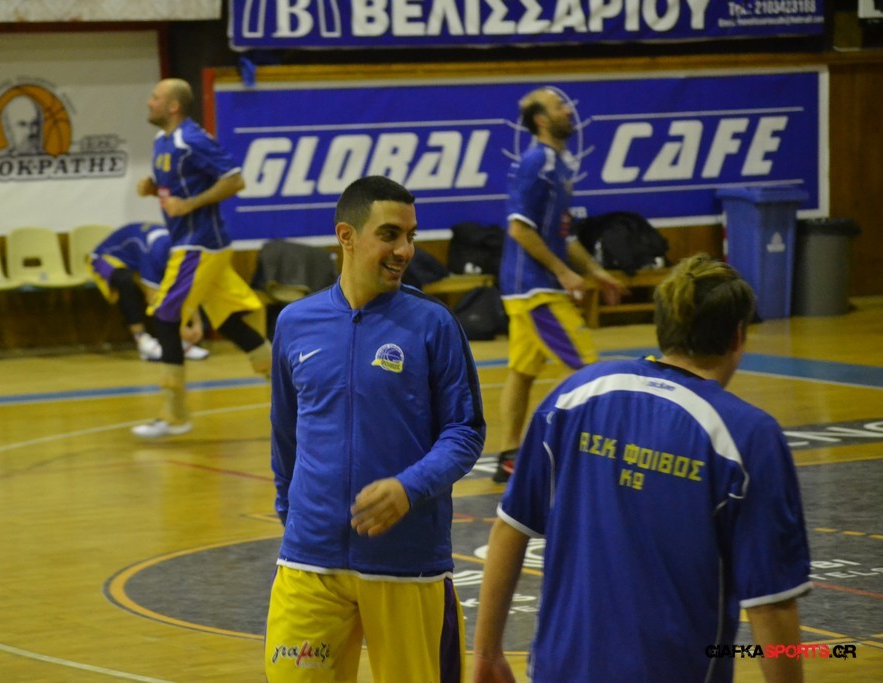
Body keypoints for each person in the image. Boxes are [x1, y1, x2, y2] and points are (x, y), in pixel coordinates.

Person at [473, 254, 812, 683]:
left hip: (558, 671)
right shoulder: (749, 436)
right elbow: (772, 604)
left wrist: (486, 652)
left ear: (663, 325)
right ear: (737, 337)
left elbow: (510, 528)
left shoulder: (575, 395)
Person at [266, 176, 486, 681]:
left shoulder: (433, 323)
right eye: (390, 235)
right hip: (310, 563)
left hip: (407, 564)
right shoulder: (295, 323)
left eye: (410, 236)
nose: (405, 250)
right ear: (346, 236)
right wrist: (293, 514)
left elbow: (465, 431)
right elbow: (285, 433)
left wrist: (409, 488)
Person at [494, 86, 625, 483]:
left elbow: (562, 237)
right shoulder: (537, 161)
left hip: (532, 286)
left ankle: (509, 456)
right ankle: (593, 451)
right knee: (589, 367)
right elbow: (519, 229)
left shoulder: (561, 164)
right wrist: (564, 273)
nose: (568, 110)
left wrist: (596, 272)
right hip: (535, 288)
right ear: (541, 120)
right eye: (559, 106)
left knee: (522, 372)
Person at [134, 77, 271, 439]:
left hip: (199, 244)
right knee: (229, 323)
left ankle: (174, 415)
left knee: (164, 316)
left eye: (155, 97)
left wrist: (190, 204)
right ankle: (298, 395)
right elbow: (179, 189)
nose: (149, 102)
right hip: (196, 243)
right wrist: (154, 190)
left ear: (173, 106)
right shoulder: (162, 141)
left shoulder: (191, 139)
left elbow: (234, 179)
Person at [88, 221, 210, 362]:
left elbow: (185, 288)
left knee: (174, 288)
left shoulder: (187, 251)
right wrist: (178, 328)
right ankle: (141, 339)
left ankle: (178, 340)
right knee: (125, 281)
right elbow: (153, 298)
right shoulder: (153, 252)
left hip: (135, 260)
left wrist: (197, 324)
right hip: (104, 257)